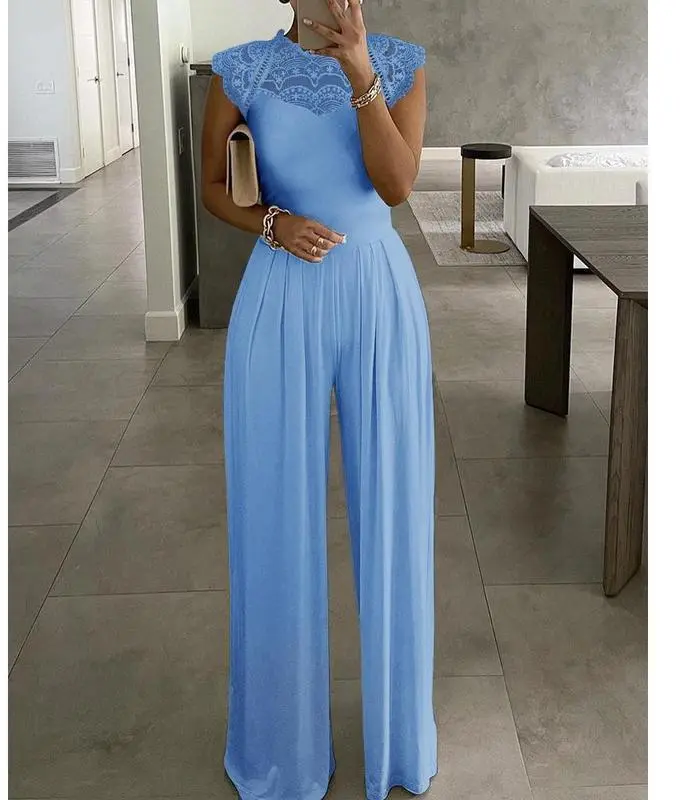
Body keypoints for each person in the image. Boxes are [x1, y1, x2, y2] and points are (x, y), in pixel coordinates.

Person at [201, 1, 436, 798]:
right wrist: (271, 221)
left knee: (395, 508)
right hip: (280, 291)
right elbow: (213, 186)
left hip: (377, 291)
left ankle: (399, 745)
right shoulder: (241, 68)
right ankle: (281, 751)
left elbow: (396, 186)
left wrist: (361, 70)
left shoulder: (401, 63)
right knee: (271, 507)